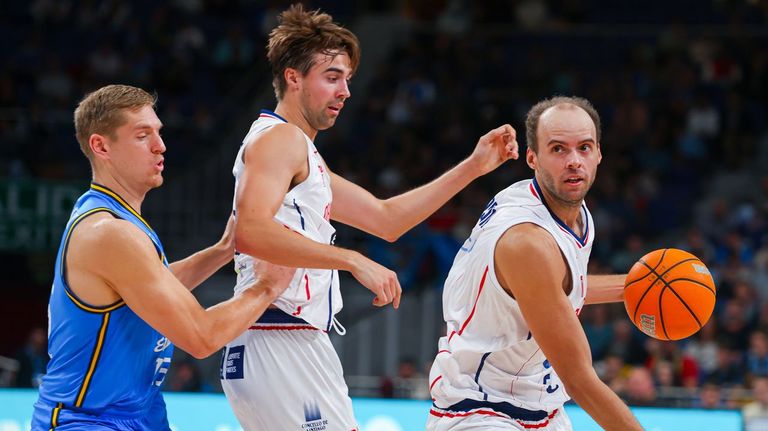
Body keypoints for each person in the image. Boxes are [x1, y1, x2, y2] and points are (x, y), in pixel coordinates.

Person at [221, 5, 519, 430]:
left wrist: (473, 166)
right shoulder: (281, 139)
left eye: (347, 79)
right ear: (293, 78)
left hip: (281, 342)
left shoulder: (300, 154)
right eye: (331, 77)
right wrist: (352, 259)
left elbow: (386, 218)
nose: (345, 91)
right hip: (279, 337)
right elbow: (250, 232)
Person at [31, 84, 294, 431]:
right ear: (101, 146)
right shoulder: (110, 233)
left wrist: (222, 250)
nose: (161, 145)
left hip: (141, 414)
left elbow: (153, 286)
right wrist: (266, 287)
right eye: (143, 136)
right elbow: (201, 337)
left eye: (158, 132)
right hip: (88, 421)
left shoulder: (118, 220)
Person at [427, 96, 644, 430]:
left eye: (584, 148)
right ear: (532, 157)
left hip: (540, 405)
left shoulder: (571, 212)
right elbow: (581, 382)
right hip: (480, 407)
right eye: (558, 149)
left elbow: (559, 291)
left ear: (599, 153)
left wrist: (642, 286)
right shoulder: (527, 242)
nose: (574, 161)